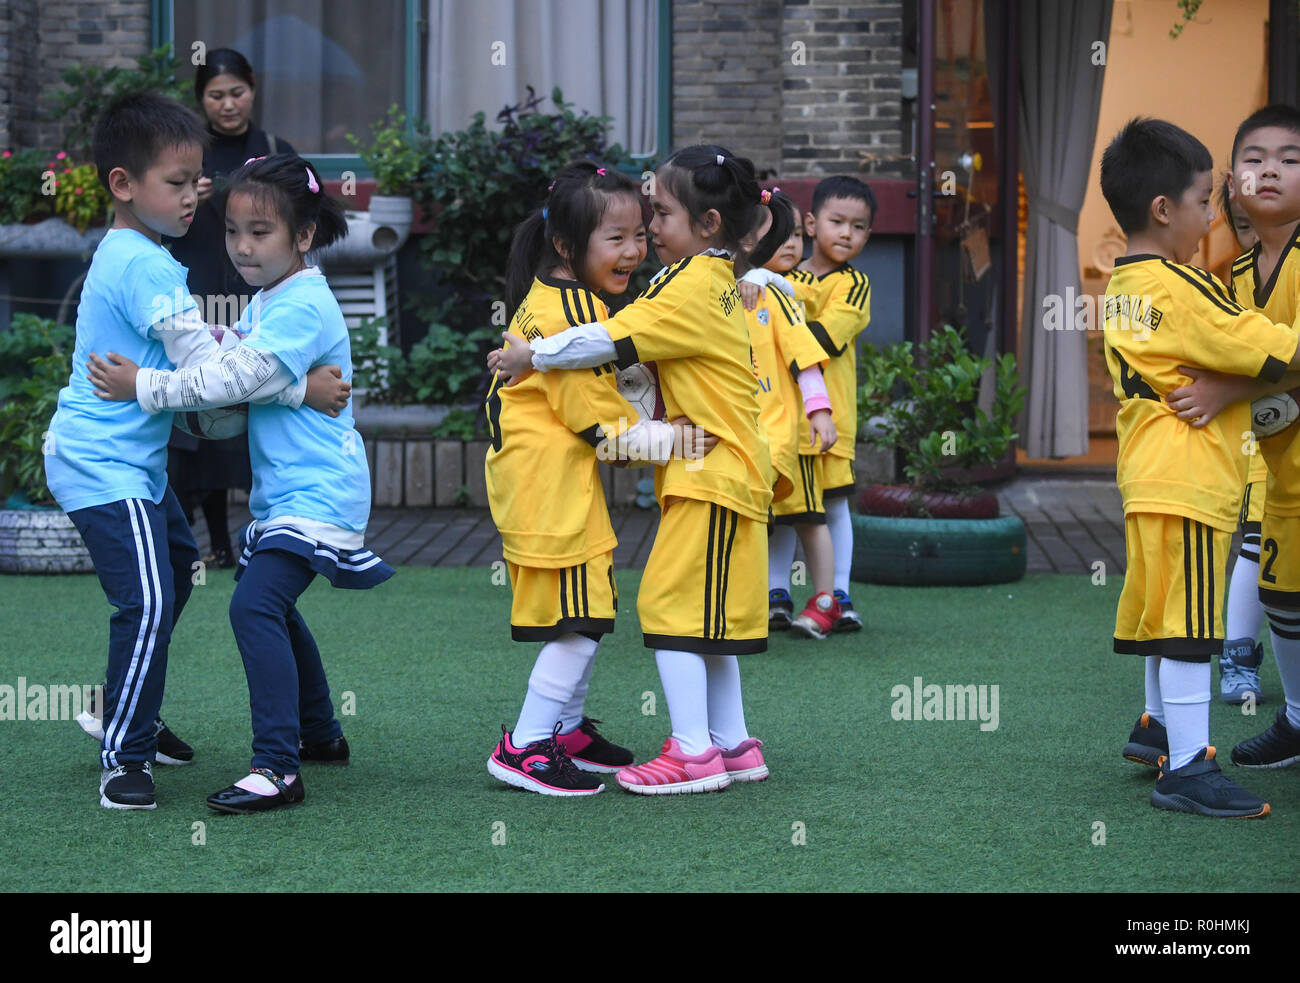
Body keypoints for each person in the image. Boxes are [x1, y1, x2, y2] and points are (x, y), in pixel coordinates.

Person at [45, 95, 344, 810]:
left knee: (176, 570)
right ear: (124, 185)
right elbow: (210, 376)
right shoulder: (144, 266)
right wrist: (300, 389)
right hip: (102, 463)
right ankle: (124, 751)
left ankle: (124, 708)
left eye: (196, 180)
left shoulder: (137, 253)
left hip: (128, 463)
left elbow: (212, 357)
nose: (194, 197)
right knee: (149, 599)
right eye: (176, 183)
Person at [88, 154, 384, 814]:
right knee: (272, 602)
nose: (242, 247)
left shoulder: (302, 304)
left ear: (303, 236)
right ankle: (320, 732)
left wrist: (147, 386)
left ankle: (277, 765)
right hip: (291, 494)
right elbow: (236, 362)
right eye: (232, 231)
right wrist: (301, 387)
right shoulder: (273, 299)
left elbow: (231, 380)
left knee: (253, 605)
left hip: (318, 493)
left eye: (260, 232)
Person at [490, 145, 790, 794]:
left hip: (712, 472)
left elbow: (610, 349)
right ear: (568, 245)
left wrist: (534, 357)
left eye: (657, 217)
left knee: (672, 610)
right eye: (624, 232)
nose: (645, 238)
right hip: (684, 473)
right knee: (671, 616)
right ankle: (723, 743)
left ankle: (694, 753)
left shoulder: (686, 285)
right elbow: (607, 422)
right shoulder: (696, 279)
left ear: (707, 224)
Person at [1099, 116, 1300, 818]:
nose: (1213, 213)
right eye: (1204, 199)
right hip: (1190, 477)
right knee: (1189, 625)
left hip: (1147, 475)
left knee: (1166, 612)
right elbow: (1276, 348)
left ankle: (1154, 729)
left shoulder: (1123, 284)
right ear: (1164, 210)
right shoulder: (1186, 288)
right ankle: (1187, 766)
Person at [1170, 104, 1300, 770]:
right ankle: (1299, 721)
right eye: (1255, 159)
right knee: (1280, 593)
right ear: (1231, 181)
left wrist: (1230, 390)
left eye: (1289, 158)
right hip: (1280, 468)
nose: (1270, 170)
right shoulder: (1239, 277)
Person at [167, 48, 297, 569]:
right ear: (201, 98)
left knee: (251, 415)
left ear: (253, 89)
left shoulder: (271, 150)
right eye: (215, 95)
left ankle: (261, 536)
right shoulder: (184, 154)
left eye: (236, 92)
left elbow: (294, 210)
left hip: (252, 298)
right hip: (198, 297)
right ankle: (216, 540)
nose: (227, 104)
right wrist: (188, 192)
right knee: (204, 419)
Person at [736, 192, 841, 639]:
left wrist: (819, 412)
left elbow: (805, 360)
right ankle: (754, 600)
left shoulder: (778, 297)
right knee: (752, 521)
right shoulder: (725, 295)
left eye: (796, 234)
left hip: (789, 434)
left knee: (809, 518)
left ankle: (825, 600)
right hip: (747, 435)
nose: (791, 244)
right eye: (777, 235)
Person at [780, 176, 874, 635]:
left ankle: (838, 593)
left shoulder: (854, 284)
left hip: (830, 415)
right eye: (837, 222)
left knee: (834, 504)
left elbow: (826, 337)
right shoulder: (783, 278)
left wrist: (782, 328)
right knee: (784, 507)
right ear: (812, 224)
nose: (846, 233)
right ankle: (777, 592)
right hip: (783, 417)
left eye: (858, 227)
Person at [1216, 177, 1270, 704]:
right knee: (1255, 543)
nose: (1253, 237)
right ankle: (1238, 655)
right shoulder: (1236, 277)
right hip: (1266, 434)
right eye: (1243, 227)